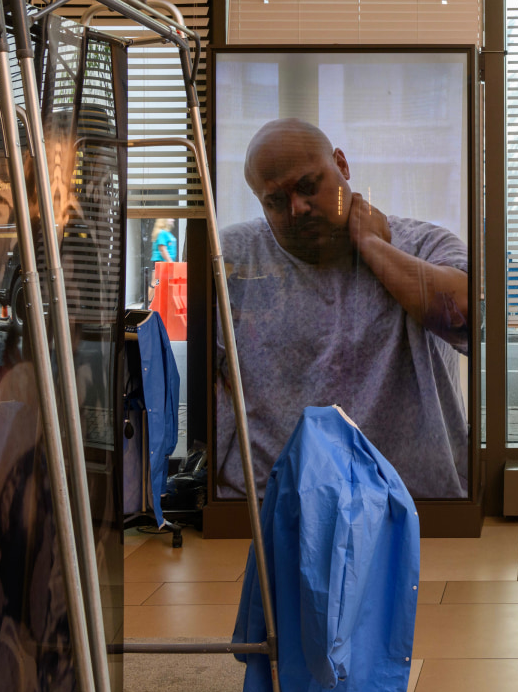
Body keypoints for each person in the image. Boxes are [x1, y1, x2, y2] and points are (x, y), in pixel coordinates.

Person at [216, 119, 470, 500]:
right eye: (276, 201)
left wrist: (371, 246)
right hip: (270, 509)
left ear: (342, 165)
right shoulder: (235, 258)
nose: (297, 209)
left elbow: (468, 319)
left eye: (307, 186)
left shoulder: (421, 245)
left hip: (412, 508)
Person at [147, 218, 178, 305]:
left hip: (165, 262)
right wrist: (170, 262)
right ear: (164, 221)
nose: (173, 220)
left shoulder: (166, 233)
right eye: (170, 219)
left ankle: (152, 303)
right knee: (154, 282)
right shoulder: (162, 233)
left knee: (161, 283)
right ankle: (147, 304)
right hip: (161, 262)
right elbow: (162, 249)